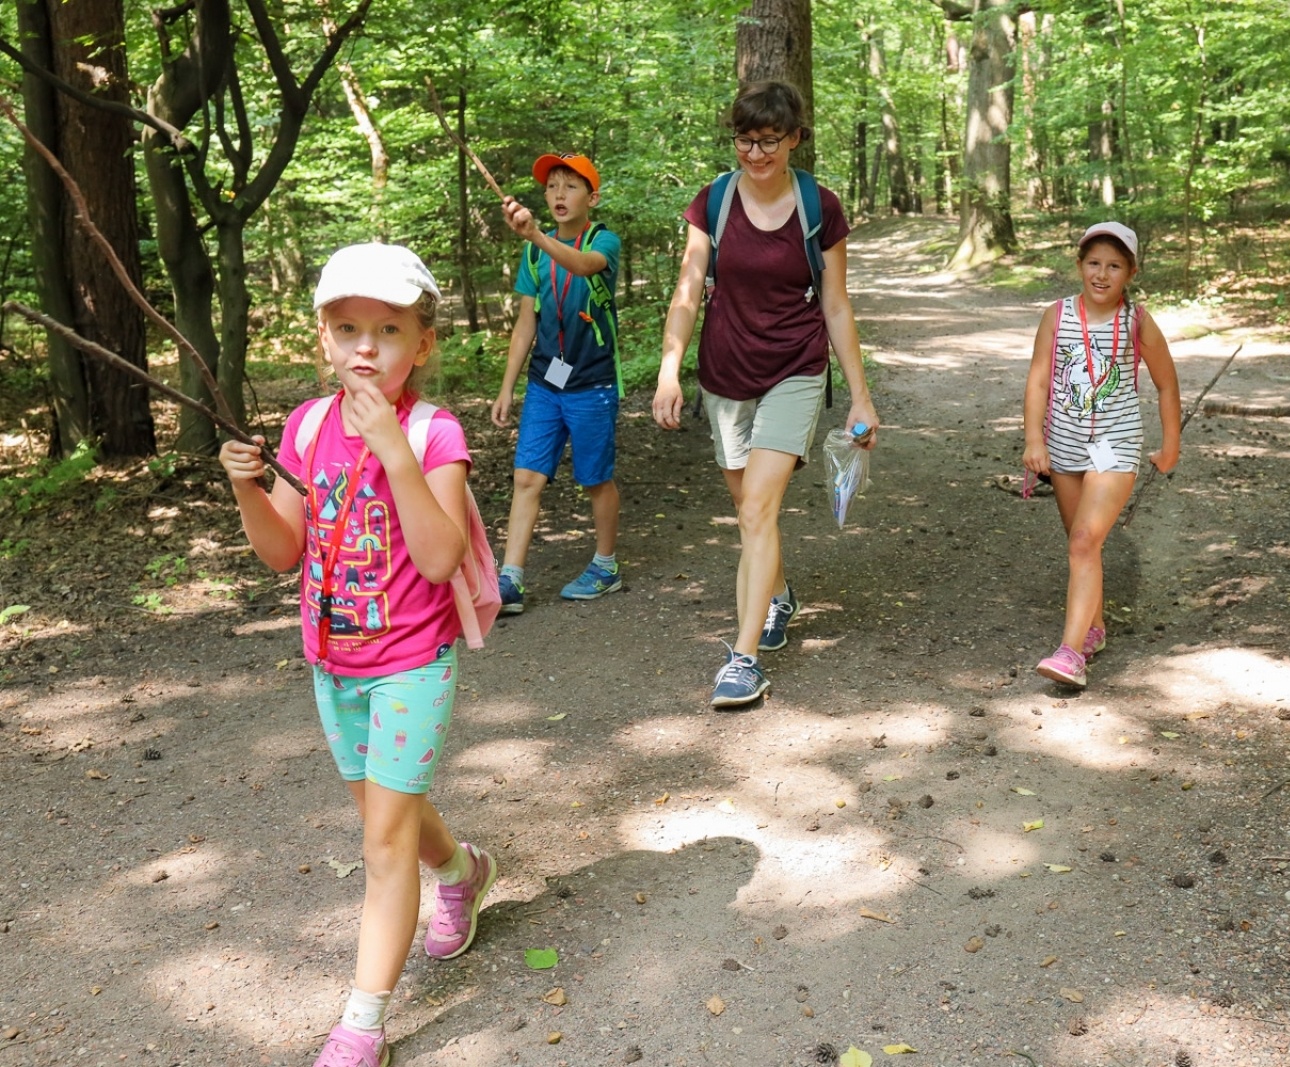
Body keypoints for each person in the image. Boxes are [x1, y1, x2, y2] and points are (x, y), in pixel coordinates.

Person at [219, 243, 497, 1067]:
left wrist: (395, 452)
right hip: (332, 662)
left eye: (389, 329)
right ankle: (462, 871)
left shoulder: (433, 432)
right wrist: (244, 486)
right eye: (347, 328)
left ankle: (362, 1024)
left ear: (423, 342)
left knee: (382, 843)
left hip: (413, 662)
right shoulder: (306, 427)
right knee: (388, 812)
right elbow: (282, 551)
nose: (366, 347)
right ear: (324, 338)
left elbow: (439, 558)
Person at [652, 80, 878, 709]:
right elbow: (688, 291)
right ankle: (778, 596)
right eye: (745, 140)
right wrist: (670, 370)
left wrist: (860, 396)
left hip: (795, 369)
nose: (755, 153)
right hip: (725, 373)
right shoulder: (714, 202)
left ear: (795, 139)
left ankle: (743, 661)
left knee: (756, 508)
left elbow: (836, 304)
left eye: (769, 141)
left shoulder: (818, 206)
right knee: (748, 507)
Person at [1022, 222, 1181, 690]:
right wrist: (1034, 440)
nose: (1102, 274)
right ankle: (1093, 629)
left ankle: (1070, 653)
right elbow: (1038, 380)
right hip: (1064, 443)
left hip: (1116, 444)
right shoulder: (1056, 315)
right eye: (1094, 263)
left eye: (1114, 266)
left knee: (1084, 540)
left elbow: (1167, 384)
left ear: (1131, 272)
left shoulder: (1137, 321)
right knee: (1081, 542)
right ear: (1079, 265)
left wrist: (1170, 446)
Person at [491, 152, 624, 613]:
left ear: (592, 197)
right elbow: (526, 322)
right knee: (527, 476)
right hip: (546, 383)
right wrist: (507, 386)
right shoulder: (534, 250)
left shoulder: (603, 240)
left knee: (595, 478)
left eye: (570, 186)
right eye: (551, 187)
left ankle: (605, 566)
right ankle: (511, 579)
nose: (558, 194)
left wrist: (535, 236)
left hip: (593, 383)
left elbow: (584, 265)